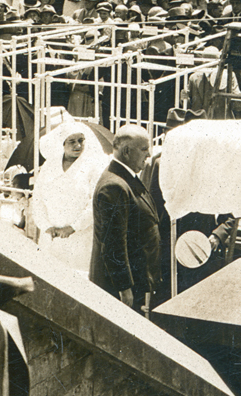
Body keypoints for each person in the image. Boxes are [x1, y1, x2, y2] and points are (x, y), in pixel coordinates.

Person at [90, 124, 160, 312]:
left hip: (136, 283)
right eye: (144, 149)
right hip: (122, 290)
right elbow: (113, 244)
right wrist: (124, 288)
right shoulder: (114, 186)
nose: (148, 155)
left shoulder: (127, 179)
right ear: (127, 151)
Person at [31, 122, 109, 275]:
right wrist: (46, 226)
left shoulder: (93, 167)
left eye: (81, 140)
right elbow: (37, 198)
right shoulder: (49, 165)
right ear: (62, 143)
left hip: (79, 238)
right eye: (72, 142)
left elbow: (94, 203)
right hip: (51, 237)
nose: (78, 145)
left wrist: (73, 227)